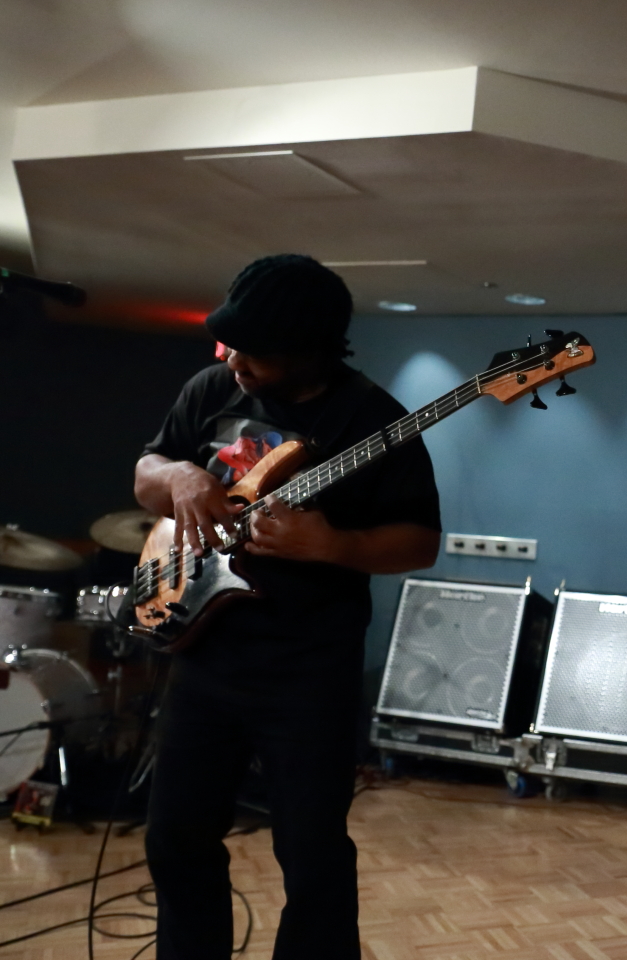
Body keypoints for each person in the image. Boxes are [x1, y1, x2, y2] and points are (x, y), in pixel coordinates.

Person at [135, 255, 441, 960]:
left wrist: (334, 544)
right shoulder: (211, 388)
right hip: (205, 652)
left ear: (309, 350)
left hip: (309, 667)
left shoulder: (372, 419)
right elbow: (145, 472)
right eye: (230, 344)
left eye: (254, 351)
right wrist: (179, 475)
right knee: (175, 836)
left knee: (312, 854)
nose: (233, 360)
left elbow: (421, 542)